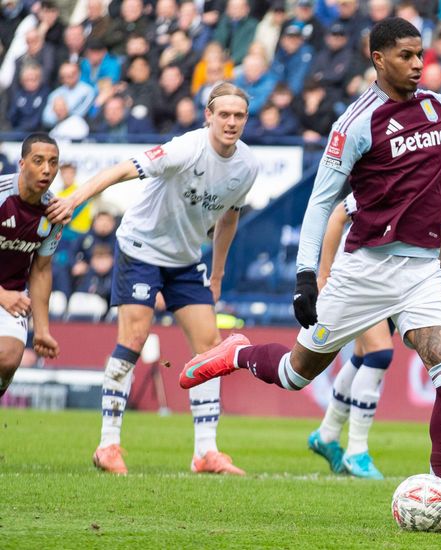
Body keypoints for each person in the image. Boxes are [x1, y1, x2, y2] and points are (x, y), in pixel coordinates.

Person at [178, 17, 441, 532]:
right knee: (296, 374)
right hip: (363, 269)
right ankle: (237, 352)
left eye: (421, 55)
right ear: (379, 59)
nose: (417, 64)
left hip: (419, 269)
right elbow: (321, 204)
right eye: (407, 56)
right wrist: (305, 277)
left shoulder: (436, 106)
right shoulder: (355, 124)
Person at [46, 83, 259, 477]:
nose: (231, 122)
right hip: (140, 247)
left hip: (185, 259)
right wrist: (76, 199)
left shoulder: (247, 166)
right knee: (133, 340)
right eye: (224, 114)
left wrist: (218, 273)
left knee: (210, 348)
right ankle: (108, 445)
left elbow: (229, 217)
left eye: (239, 115)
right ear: (208, 115)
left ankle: (206, 453)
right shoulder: (186, 148)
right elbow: (122, 169)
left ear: (246, 119)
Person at [307, 141, 441, 480]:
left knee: (363, 356)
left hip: (410, 277)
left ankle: (326, 434)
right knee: (379, 353)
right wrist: (324, 273)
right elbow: (339, 215)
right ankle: (356, 451)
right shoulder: (407, 171)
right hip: (362, 270)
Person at [0, 134, 62, 398]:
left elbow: (41, 269)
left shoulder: (55, 211)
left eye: (53, 162)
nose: (47, 169)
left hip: (14, 294)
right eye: (38, 161)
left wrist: (43, 329)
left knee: (8, 359)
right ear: (22, 163)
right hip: (6, 295)